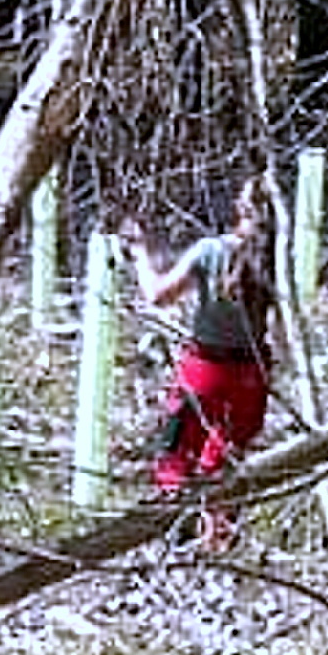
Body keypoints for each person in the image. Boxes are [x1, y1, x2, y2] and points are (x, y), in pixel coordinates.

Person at [122, 176, 281, 548]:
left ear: (239, 210)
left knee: (178, 448)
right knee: (226, 456)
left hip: (206, 370)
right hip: (252, 373)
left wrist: (141, 251)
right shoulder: (276, 259)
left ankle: (176, 529)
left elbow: (158, 295)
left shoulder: (210, 251)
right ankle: (218, 535)